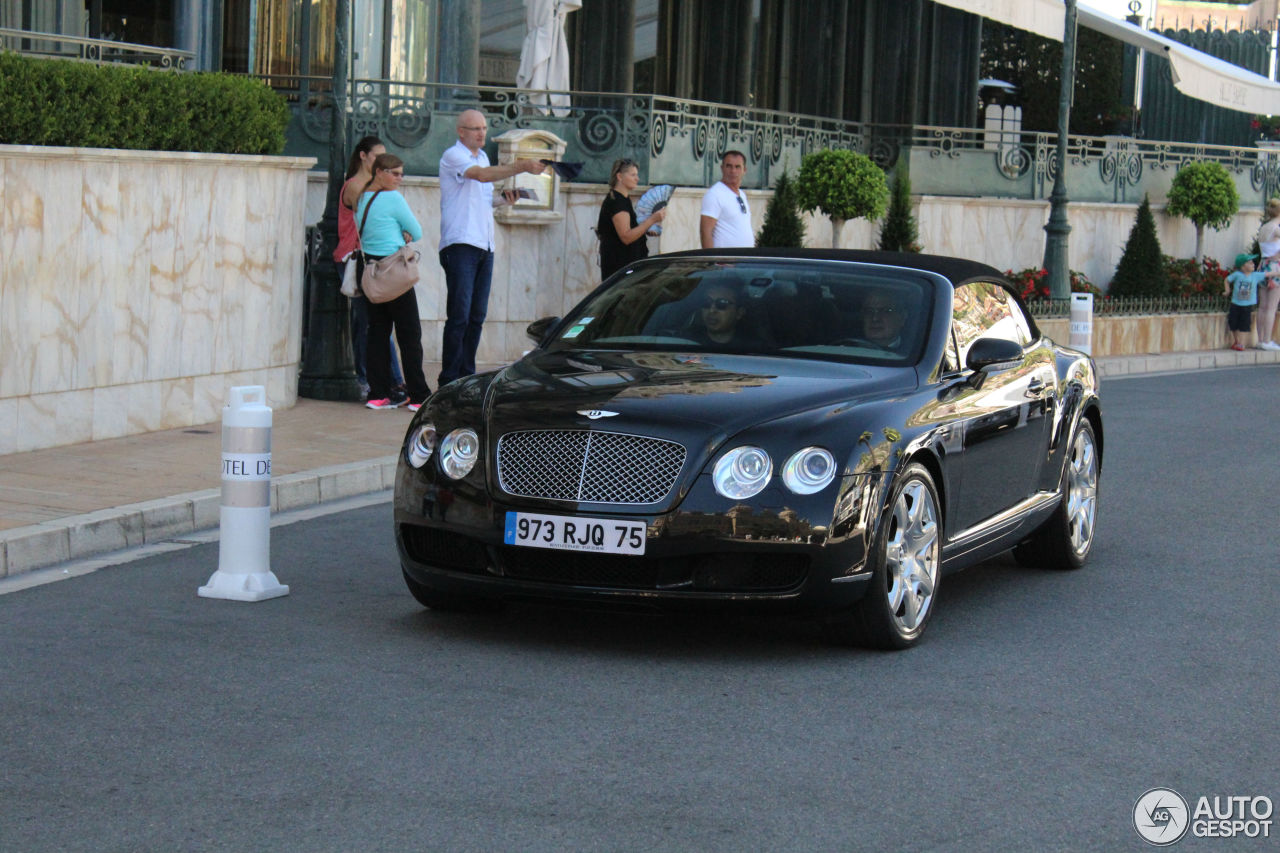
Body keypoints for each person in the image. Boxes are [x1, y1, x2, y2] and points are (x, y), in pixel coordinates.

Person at [437, 109, 547, 388]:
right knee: (459, 314)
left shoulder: (483, 156)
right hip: (460, 242)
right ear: (461, 131)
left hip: (484, 244)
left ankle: (466, 374)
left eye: (484, 127)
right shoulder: (454, 156)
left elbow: (481, 198)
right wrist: (521, 166)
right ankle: (449, 378)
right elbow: (481, 176)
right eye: (475, 128)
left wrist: (503, 200)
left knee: (477, 315)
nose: (481, 133)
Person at [355, 153, 431, 411]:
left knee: (377, 332)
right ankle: (418, 395)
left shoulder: (363, 198)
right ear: (379, 172)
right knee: (410, 334)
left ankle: (378, 394)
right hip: (394, 271)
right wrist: (403, 233)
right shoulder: (393, 198)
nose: (399, 178)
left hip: (372, 272)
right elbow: (417, 232)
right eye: (394, 173)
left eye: (401, 173)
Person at [334, 135, 405, 402]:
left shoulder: (379, 190)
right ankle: (381, 381)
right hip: (355, 260)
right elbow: (367, 213)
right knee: (370, 324)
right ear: (363, 156)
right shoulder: (354, 187)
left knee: (376, 323)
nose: (382, 161)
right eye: (377, 156)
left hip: (375, 262)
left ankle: (389, 382)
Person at [597, 158, 666, 279]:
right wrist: (652, 220)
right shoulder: (617, 202)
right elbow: (626, 236)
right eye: (633, 175)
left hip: (629, 267)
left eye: (637, 175)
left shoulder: (623, 199)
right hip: (619, 269)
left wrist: (644, 230)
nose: (637, 179)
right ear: (619, 176)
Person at [1224, 252, 1280, 351]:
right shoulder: (1237, 275)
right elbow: (1227, 280)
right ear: (1242, 266)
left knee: (1244, 324)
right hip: (1235, 303)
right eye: (1250, 263)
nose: (1253, 264)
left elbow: (1268, 273)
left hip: (1247, 305)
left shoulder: (1255, 275)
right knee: (1233, 323)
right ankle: (1237, 341)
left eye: (1253, 263)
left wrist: (1277, 272)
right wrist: (1227, 290)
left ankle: (1242, 343)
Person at [699, 150, 754, 249]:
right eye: (729, 166)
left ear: (744, 170)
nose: (733, 171)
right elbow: (705, 232)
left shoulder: (742, 194)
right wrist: (711, 262)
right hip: (724, 262)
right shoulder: (715, 194)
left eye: (737, 167)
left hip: (743, 260)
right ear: (722, 168)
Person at [690, 281, 764, 350]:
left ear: (739, 313)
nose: (712, 310)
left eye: (722, 304)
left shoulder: (756, 348)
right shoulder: (686, 340)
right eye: (707, 302)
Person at [1255, 197, 1280, 350]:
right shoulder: (1276, 228)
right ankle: (1266, 340)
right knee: (1271, 307)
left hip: (1263, 265)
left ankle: (1260, 339)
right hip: (1275, 267)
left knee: (1262, 306)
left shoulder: (1264, 227)